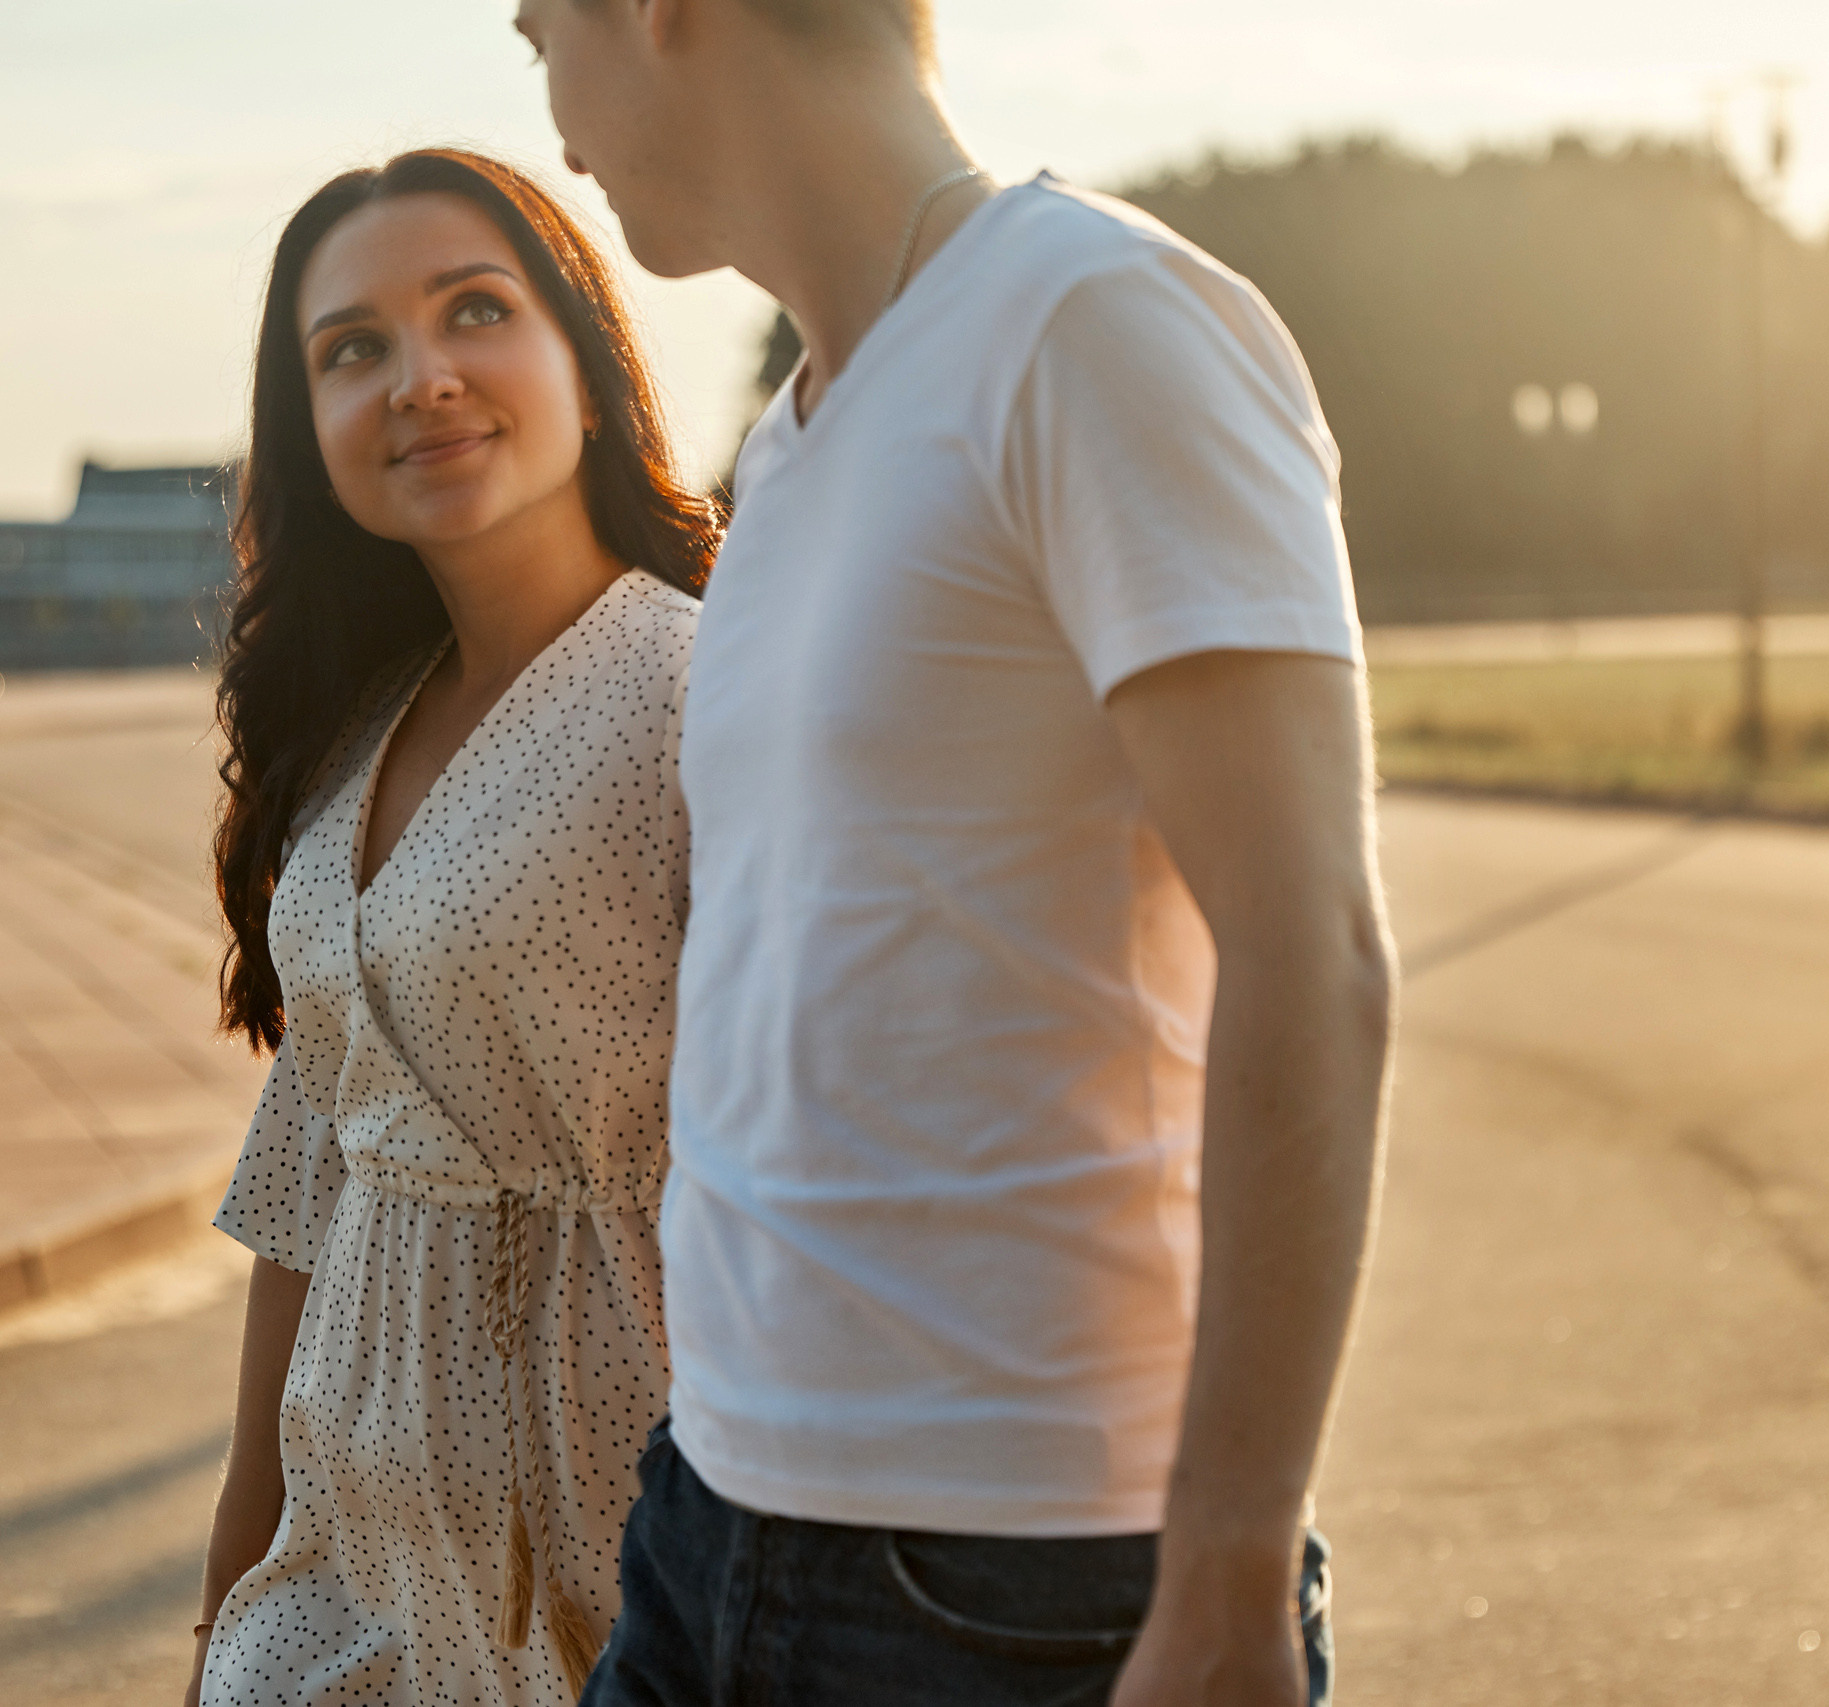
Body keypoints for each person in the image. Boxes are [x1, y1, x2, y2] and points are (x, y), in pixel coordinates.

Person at [512, 4, 1398, 1704]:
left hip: (1011, 1584)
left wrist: (1223, 1582)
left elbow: (1314, 954)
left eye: (542, 35)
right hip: (711, 1517)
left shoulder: (1092, 321)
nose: (555, 119)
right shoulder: (786, 443)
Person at [185, 147, 717, 1707]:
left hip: (606, 1530)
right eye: (352, 350)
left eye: (473, 311)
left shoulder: (705, 688)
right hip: (345, 1560)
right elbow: (309, 1183)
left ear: (584, 359)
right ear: (312, 429)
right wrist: (229, 1586)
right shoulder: (357, 729)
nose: (419, 379)